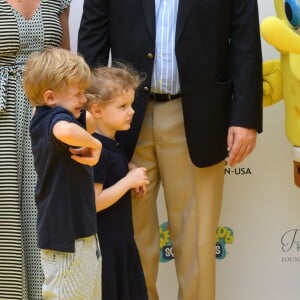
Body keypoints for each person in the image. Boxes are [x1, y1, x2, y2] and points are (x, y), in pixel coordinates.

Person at [78, 1, 263, 299]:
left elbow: (244, 39)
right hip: (122, 121)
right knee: (130, 237)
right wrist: (88, 119)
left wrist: (244, 117)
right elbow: (92, 41)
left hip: (199, 116)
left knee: (198, 241)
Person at [0, 0, 71, 298]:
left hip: (47, 119)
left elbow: (69, 63)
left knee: (43, 205)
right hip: (3, 114)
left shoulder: (59, 1)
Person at [22, 47, 102, 300]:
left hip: (80, 232)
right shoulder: (51, 118)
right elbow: (63, 130)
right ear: (50, 97)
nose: (83, 98)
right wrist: (96, 144)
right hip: (66, 239)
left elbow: (85, 121)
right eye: (77, 94)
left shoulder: (53, 113)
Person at [86, 65, 149, 300]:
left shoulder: (113, 142)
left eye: (131, 104)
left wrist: (128, 171)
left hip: (121, 241)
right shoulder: (96, 149)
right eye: (123, 106)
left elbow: (113, 167)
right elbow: (93, 203)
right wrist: (128, 182)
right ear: (97, 110)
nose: (131, 111)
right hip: (104, 248)